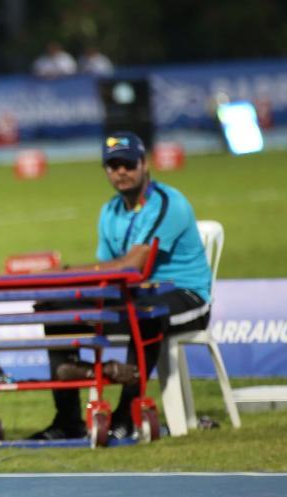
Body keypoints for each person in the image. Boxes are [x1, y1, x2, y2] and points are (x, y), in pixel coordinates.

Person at [30, 131, 213, 441]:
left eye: (128, 164)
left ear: (145, 164)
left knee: (148, 313)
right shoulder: (109, 211)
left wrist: (65, 271)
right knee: (55, 308)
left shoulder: (167, 203)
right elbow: (106, 275)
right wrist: (65, 291)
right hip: (136, 296)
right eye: (113, 166)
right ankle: (68, 417)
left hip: (186, 296)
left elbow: (130, 266)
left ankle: (127, 412)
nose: (121, 172)